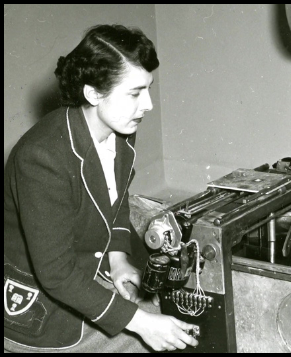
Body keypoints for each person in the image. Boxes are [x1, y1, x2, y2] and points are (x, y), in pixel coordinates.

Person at [3, 24, 199, 353]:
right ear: (93, 93)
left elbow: (117, 201)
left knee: (177, 323)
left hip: (85, 270)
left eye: (148, 89)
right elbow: (56, 274)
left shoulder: (120, 129)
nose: (148, 105)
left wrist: (118, 259)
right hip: (43, 307)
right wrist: (140, 322)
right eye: (135, 93)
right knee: (155, 340)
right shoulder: (41, 158)